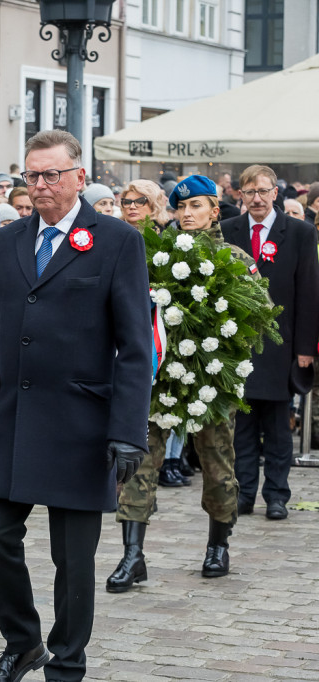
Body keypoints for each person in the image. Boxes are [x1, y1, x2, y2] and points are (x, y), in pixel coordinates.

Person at [0, 130, 152, 682]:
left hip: (81, 425)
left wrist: (128, 431)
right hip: (11, 420)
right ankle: (23, 643)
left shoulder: (115, 241)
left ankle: (67, 663)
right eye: (31, 176)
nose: (39, 186)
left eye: (51, 175)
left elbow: (135, 347)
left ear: (79, 178)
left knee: (73, 562)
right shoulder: (15, 238)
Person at [108, 175, 262, 593]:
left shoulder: (233, 257)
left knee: (217, 463)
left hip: (211, 379)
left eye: (197, 206)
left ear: (215, 210)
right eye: (182, 207)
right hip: (156, 376)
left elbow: (254, 319)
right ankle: (132, 555)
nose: (188, 214)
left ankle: (218, 544)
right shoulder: (154, 254)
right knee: (141, 459)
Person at [221, 165, 319, 520]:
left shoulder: (299, 232)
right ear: (240, 196)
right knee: (243, 427)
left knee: (278, 428)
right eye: (250, 193)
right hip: (238, 346)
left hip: (281, 345)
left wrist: (305, 349)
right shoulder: (228, 230)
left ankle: (277, 495)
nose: (257, 199)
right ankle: (244, 492)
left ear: (275, 193)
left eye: (263, 191)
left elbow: (308, 292)